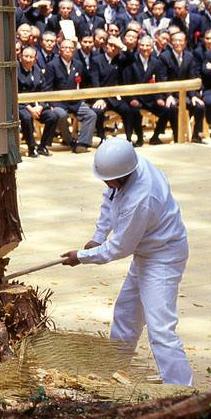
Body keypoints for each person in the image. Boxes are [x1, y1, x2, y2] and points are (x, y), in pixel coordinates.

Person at [60, 140, 192, 386]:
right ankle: (114, 370)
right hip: (146, 251)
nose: (106, 184)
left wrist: (82, 257)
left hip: (163, 256)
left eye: (109, 180)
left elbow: (120, 247)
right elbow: (110, 199)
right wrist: (98, 236)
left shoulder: (142, 198)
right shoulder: (125, 167)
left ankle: (180, 386)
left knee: (160, 328)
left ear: (124, 175)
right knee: (126, 314)